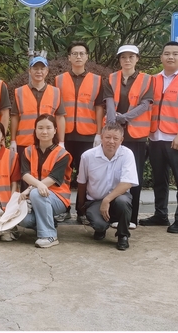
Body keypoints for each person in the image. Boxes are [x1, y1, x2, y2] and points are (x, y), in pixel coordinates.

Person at [139, 41, 178, 234]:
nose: (170, 57)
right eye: (167, 53)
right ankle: (160, 215)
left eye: (175, 54)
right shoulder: (153, 79)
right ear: (161, 57)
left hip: (176, 139)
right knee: (159, 180)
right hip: (155, 138)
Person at [54, 41, 109, 221]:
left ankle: (82, 211)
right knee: (63, 174)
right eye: (75, 53)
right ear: (69, 57)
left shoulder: (97, 80)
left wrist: (99, 133)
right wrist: (59, 139)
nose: (78, 56)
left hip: (87, 135)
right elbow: (57, 109)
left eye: (82, 53)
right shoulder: (59, 80)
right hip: (66, 135)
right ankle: (63, 208)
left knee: (86, 176)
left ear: (87, 57)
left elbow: (99, 108)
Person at [104, 45, 153, 229]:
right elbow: (109, 103)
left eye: (131, 57)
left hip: (136, 136)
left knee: (133, 176)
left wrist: (123, 118)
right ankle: (114, 216)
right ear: (119, 59)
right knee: (113, 175)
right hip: (114, 135)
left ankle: (131, 218)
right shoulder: (111, 78)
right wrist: (113, 122)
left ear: (137, 59)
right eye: (123, 57)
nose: (127, 60)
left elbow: (145, 105)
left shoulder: (147, 79)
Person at [76, 123, 138, 251]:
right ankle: (101, 228)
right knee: (99, 225)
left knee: (124, 201)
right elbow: (82, 182)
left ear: (121, 140)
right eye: (108, 137)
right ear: (101, 138)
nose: (111, 141)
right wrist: (81, 205)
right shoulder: (87, 156)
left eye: (116, 138)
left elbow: (127, 183)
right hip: (95, 200)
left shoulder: (127, 154)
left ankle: (123, 235)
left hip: (117, 198)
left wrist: (107, 199)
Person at [18, 115, 73, 248]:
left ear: (55, 130)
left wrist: (31, 189)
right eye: (40, 128)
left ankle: (49, 236)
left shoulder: (62, 154)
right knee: (23, 218)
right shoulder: (28, 151)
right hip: (36, 195)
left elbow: (53, 178)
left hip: (58, 198)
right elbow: (25, 174)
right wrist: (36, 186)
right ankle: (49, 223)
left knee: (37, 193)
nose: (44, 131)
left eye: (48, 128)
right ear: (35, 130)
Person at [10, 56, 65, 158]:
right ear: (29, 71)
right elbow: (14, 117)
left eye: (42, 69)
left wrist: (61, 141)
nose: (39, 71)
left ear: (47, 71)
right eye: (35, 68)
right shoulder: (19, 92)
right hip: (25, 143)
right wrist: (13, 140)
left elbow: (60, 117)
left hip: (48, 143)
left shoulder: (56, 92)